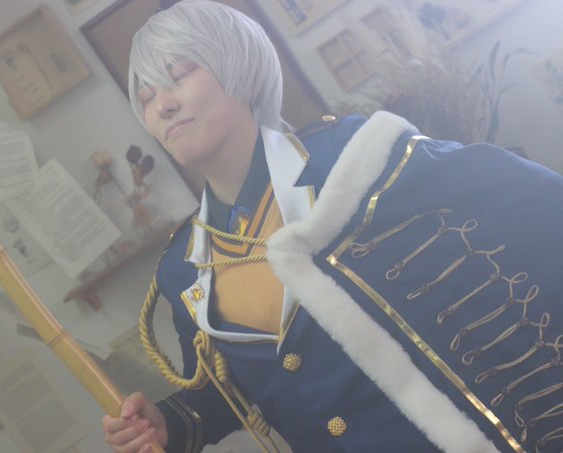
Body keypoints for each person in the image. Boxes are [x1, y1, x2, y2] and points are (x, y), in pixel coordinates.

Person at [102, 1, 563, 452]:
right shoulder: (185, 267)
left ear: (240, 67)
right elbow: (225, 392)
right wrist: (168, 424)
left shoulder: (361, 158)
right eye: (145, 97)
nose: (162, 106)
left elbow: (536, 207)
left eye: (179, 75)